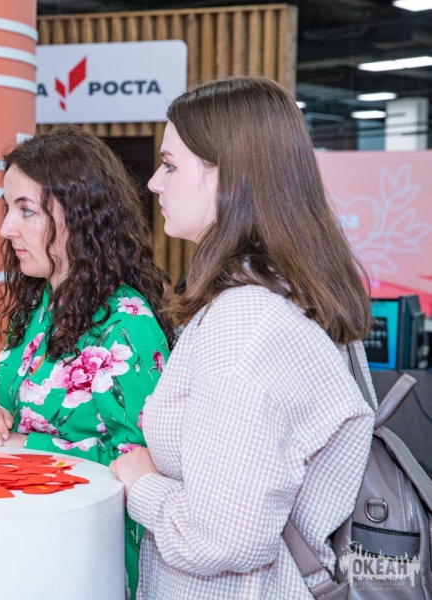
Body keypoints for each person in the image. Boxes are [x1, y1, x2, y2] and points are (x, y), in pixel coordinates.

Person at [110, 76, 375, 598]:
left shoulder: (246, 322)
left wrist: (142, 485)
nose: (154, 184)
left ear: (229, 175)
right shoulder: (289, 295)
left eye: (170, 165)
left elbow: (224, 538)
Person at [0, 126, 174, 595]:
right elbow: (12, 419)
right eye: (8, 208)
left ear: (80, 215)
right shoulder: (39, 305)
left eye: (26, 210)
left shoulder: (126, 323)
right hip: (28, 547)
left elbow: (148, 467)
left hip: (90, 561)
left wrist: (21, 447)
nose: (6, 228)